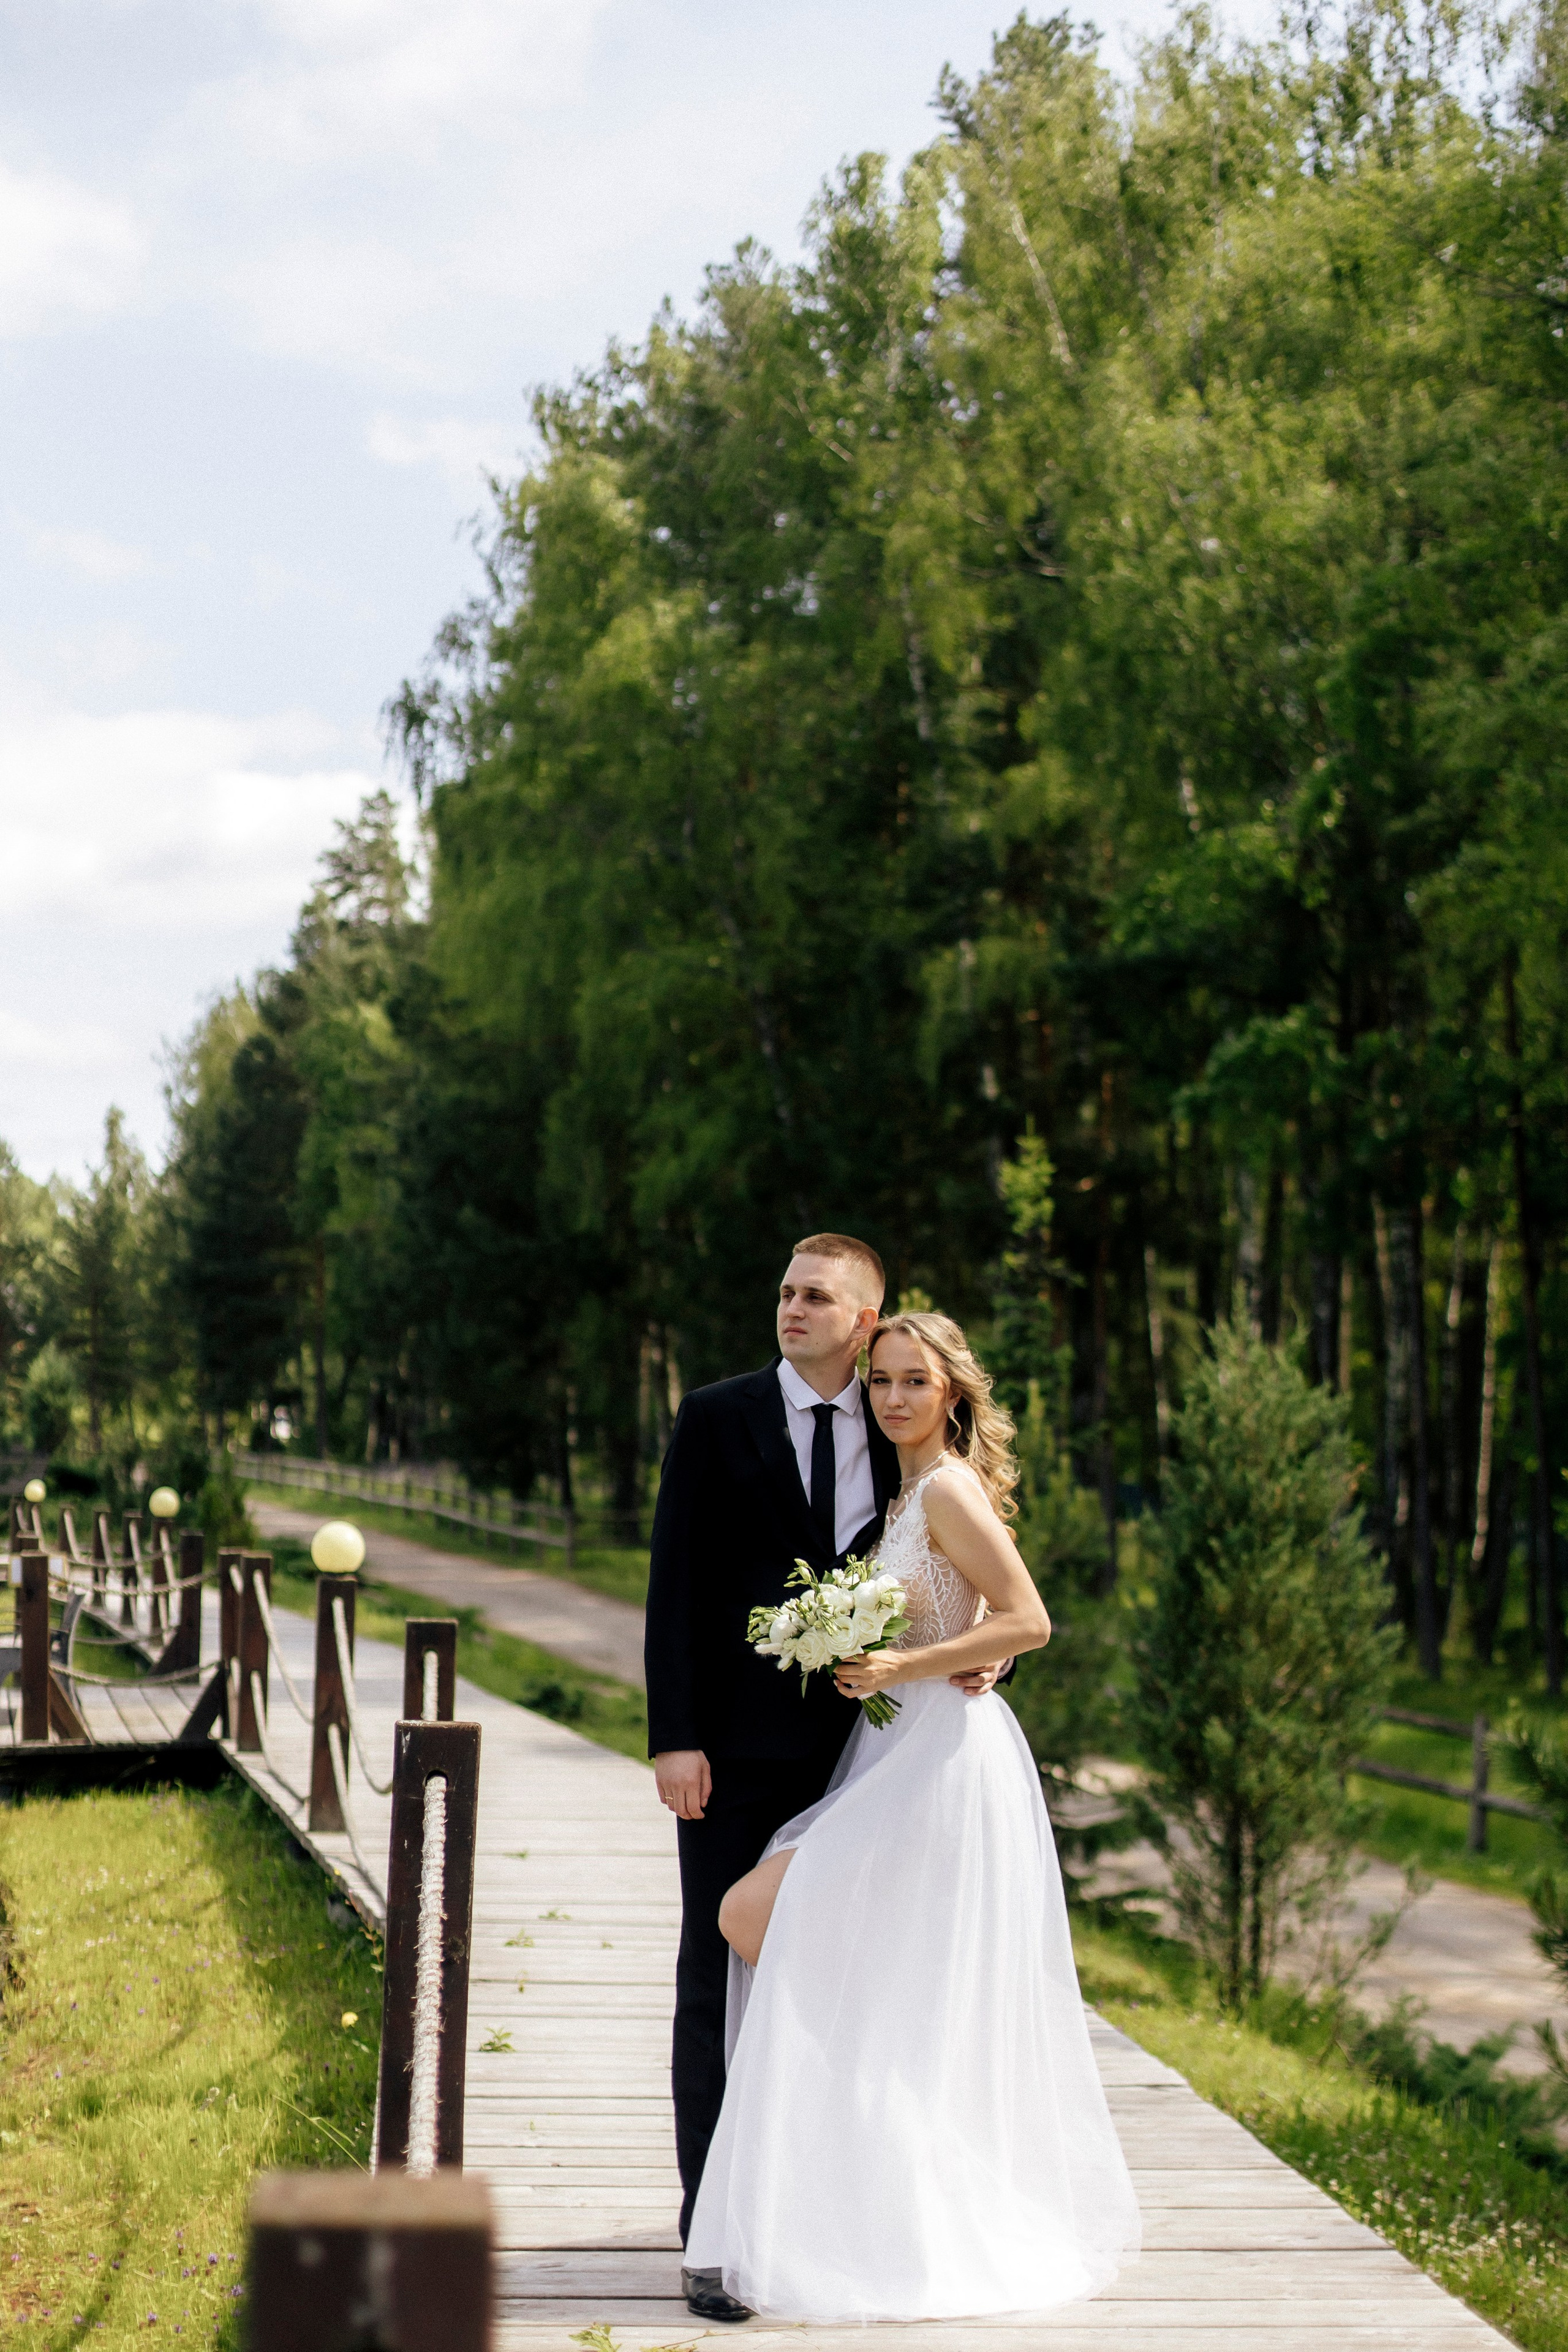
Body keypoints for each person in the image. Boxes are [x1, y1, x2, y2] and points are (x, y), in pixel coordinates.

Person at [682, 1310, 1140, 2323]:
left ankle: (897, 2159)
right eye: (881, 1381)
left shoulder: (948, 1488)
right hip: (892, 1750)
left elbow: (1028, 1619)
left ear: (953, 1395)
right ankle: (888, 2166)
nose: (893, 1398)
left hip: (941, 1758)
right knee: (856, 1966)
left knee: (755, 1915)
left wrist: (903, 1663)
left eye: (914, 1383)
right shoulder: (905, 1495)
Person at [646, 1240, 1006, 2322]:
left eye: (816, 1297)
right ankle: (711, 2232)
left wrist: (992, 1645)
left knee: (846, 1983)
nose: (791, 1309)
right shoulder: (715, 1416)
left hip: (864, 1755)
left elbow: (964, 1567)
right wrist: (675, 1737)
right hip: (731, 1757)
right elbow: (676, 1580)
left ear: (866, 1319)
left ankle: (811, 2204)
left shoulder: (901, 1428)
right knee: (717, 1964)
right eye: (785, 1293)